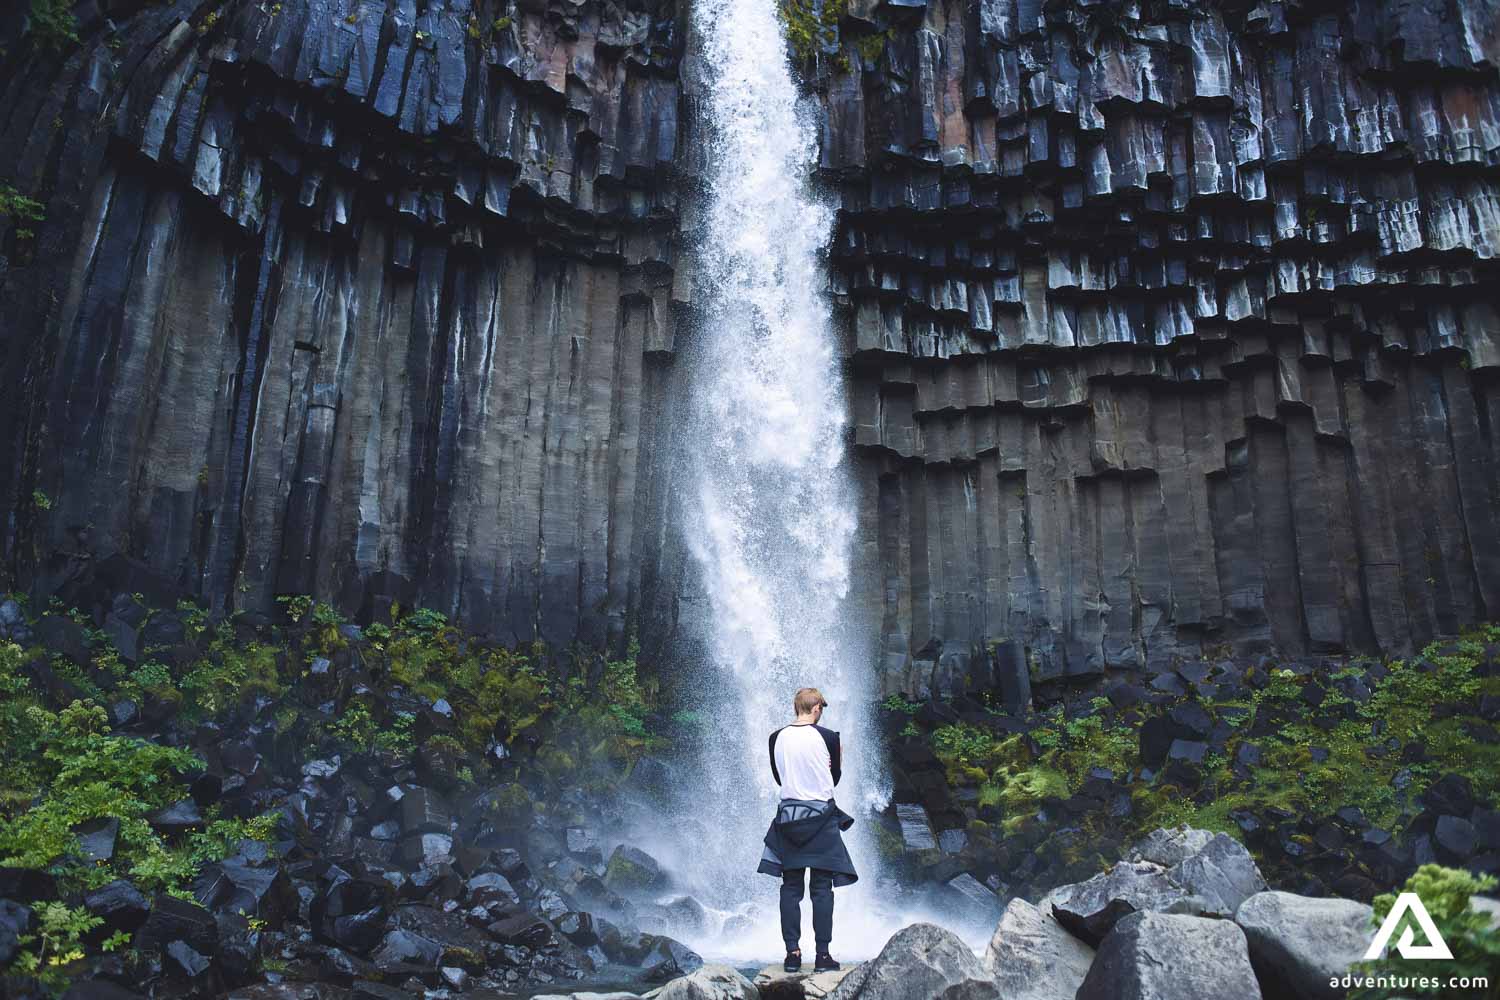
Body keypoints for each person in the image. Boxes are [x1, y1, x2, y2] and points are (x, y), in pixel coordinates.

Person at [756, 686, 857, 974]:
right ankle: (823, 956)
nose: (821, 714)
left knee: (790, 888)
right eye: (820, 710)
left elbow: (779, 776)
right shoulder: (828, 737)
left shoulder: (775, 738)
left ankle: (792, 954)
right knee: (822, 889)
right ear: (816, 709)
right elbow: (834, 777)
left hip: (789, 817)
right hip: (821, 818)